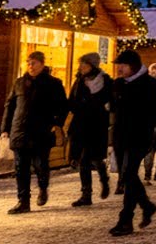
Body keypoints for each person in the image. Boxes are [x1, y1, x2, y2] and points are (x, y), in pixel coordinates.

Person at [2, 51, 68, 214]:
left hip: (41, 131)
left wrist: (56, 123)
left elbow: (63, 106)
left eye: (34, 63)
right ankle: (23, 201)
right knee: (20, 168)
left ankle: (43, 188)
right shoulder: (19, 83)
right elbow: (9, 106)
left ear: (42, 64)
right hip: (20, 130)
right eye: (28, 62)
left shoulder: (53, 84)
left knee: (40, 164)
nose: (30, 66)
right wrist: (5, 128)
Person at [109, 49, 156, 237]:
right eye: (118, 65)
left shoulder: (151, 84)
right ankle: (147, 206)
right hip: (120, 137)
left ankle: (126, 220)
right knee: (127, 175)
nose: (119, 69)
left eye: (122, 65)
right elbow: (112, 109)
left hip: (140, 136)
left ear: (133, 66)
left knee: (128, 173)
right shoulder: (117, 84)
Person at [68, 52, 113, 207]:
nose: (81, 67)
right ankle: (86, 194)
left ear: (92, 66)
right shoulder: (79, 80)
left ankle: (103, 180)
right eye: (80, 64)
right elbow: (71, 99)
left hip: (96, 125)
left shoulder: (105, 80)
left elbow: (109, 101)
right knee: (84, 159)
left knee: (92, 158)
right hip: (80, 125)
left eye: (84, 64)